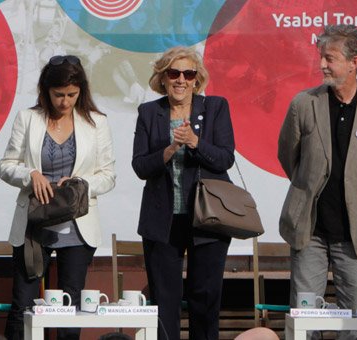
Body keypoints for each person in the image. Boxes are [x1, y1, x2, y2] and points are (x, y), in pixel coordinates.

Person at [278, 24, 357, 340]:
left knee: (354, 325)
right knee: (304, 322)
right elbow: (289, 156)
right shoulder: (304, 103)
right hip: (309, 231)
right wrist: (309, 186)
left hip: (356, 234)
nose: (322, 64)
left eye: (330, 58)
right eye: (321, 57)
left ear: (354, 62)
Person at [0, 55, 116, 340]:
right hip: (34, 227)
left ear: (81, 92)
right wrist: (30, 175)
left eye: (72, 95)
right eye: (58, 95)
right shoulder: (28, 118)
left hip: (77, 227)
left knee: (70, 304)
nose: (64, 102)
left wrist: (80, 183)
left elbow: (108, 175)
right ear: (46, 91)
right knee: (23, 304)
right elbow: (6, 165)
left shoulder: (96, 122)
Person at [132, 46, 235, 340]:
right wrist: (169, 150)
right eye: (174, 73)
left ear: (196, 79)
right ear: (163, 78)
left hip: (207, 220)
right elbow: (140, 165)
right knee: (164, 303)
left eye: (188, 74)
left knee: (205, 300)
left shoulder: (215, 108)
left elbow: (225, 158)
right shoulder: (149, 112)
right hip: (162, 221)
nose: (181, 80)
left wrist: (194, 142)